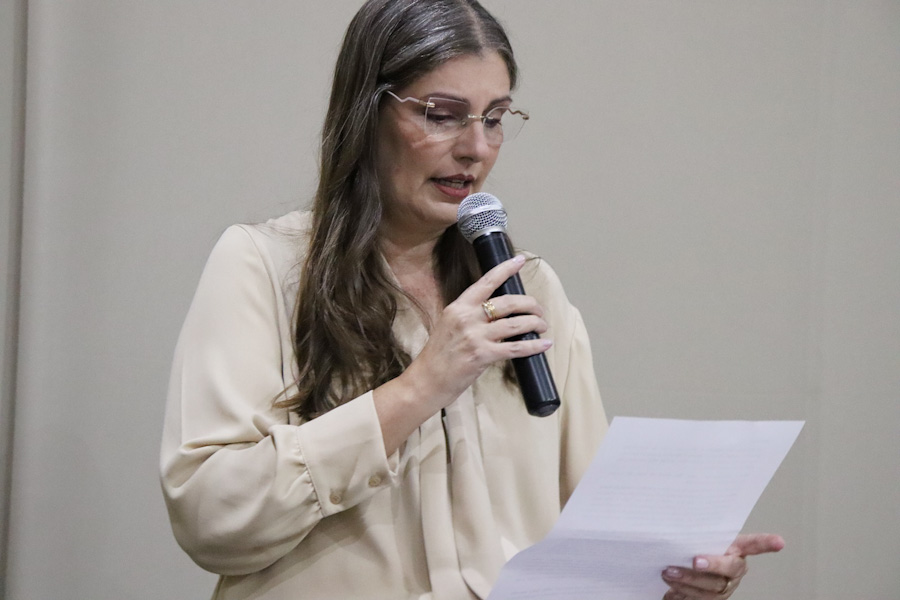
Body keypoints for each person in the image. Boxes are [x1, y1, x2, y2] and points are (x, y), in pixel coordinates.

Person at [160, 1, 784, 599]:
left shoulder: (529, 286)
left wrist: (671, 576)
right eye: (442, 114)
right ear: (367, 113)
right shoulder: (265, 266)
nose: (476, 148)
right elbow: (212, 519)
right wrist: (419, 387)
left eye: (495, 118)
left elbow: (592, 540)